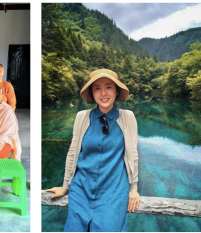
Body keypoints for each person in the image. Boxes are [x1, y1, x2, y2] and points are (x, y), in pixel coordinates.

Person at [46, 69, 140, 232]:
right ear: (92, 92)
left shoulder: (127, 117)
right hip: (81, 188)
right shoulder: (82, 117)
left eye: (108, 87)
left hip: (114, 190)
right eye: (97, 88)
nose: (103, 93)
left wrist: (133, 189)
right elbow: (73, 152)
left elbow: (133, 154)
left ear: (116, 91)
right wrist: (66, 185)